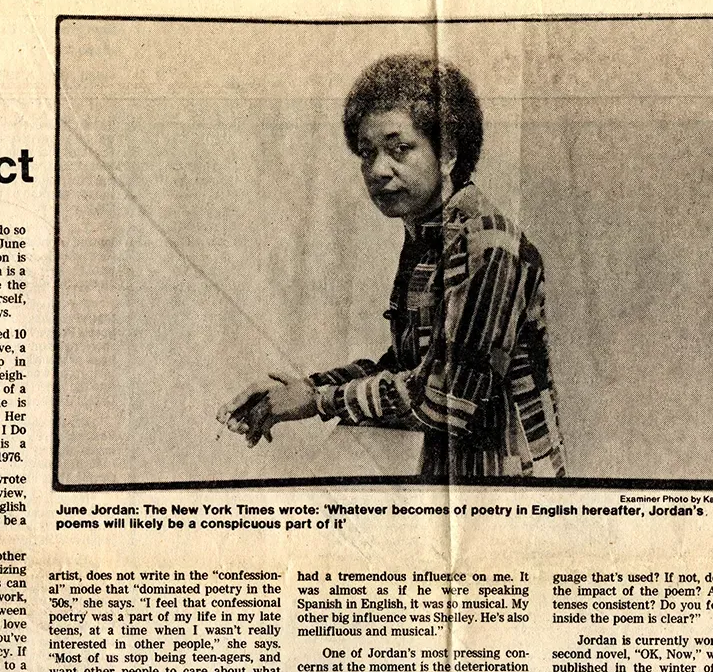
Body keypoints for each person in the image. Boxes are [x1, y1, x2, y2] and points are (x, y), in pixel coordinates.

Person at [219, 55, 566, 479]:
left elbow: (447, 399)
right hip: (448, 482)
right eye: (367, 154)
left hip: (511, 492)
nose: (377, 170)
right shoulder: (427, 236)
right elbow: (408, 366)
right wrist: (306, 389)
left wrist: (319, 402)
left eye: (399, 149)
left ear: (449, 152)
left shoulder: (486, 242)